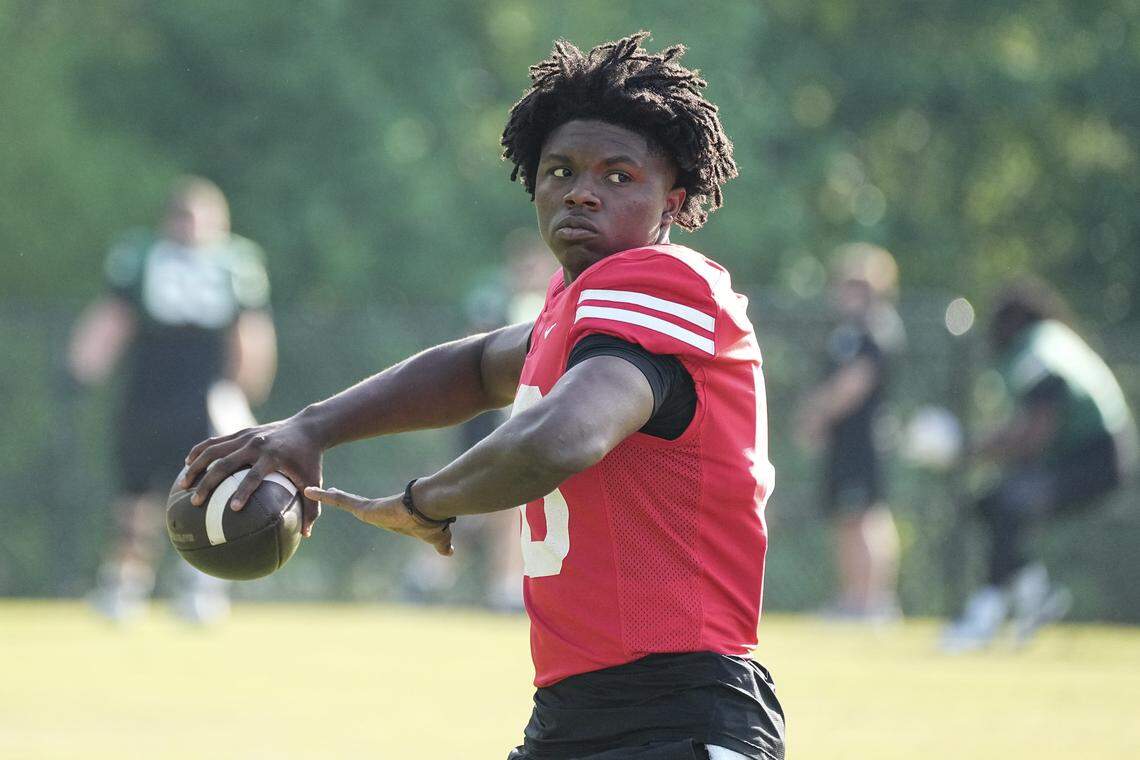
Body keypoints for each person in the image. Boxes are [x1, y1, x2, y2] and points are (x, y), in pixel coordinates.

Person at [181, 34, 784, 760]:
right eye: (559, 171)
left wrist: (423, 502)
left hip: (678, 713)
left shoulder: (663, 280)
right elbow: (472, 368)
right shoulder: (573, 306)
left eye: (619, 176)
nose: (582, 190)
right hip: (573, 714)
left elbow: (563, 437)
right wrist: (309, 428)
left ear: (674, 202)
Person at [68, 176, 277, 624]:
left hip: (204, 391)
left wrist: (244, 387)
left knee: (208, 489)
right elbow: (113, 320)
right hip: (149, 386)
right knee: (136, 495)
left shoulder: (231, 263)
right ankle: (126, 582)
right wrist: (82, 369)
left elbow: (249, 334)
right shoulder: (143, 257)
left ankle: (202, 584)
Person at [941, 278, 1137, 652]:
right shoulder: (1052, 338)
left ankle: (986, 615)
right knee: (992, 504)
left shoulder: (1035, 348)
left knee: (1007, 502)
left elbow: (1035, 433)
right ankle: (1035, 596)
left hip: (1095, 456)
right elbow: (1030, 428)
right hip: (1098, 452)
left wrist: (964, 448)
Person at [796, 244, 904, 622]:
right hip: (845, 442)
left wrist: (817, 413)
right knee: (848, 518)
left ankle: (871, 602)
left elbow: (854, 383)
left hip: (863, 442)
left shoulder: (873, 329)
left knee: (864, 518)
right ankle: (855, 598)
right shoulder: (847, 331)